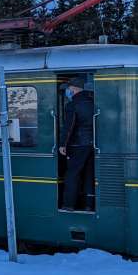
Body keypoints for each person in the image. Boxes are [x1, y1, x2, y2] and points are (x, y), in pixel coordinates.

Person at [59, 76, 94, 211]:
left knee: (72, 174)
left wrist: (63, 144)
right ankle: (88, 205)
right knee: (88, 174)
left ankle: (68, 204)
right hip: (91, 144)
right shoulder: (91, 101)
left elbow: (69, 127)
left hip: (77, 145)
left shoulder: (73, 105)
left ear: (73, 89)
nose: (67, 91)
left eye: (68, 89)